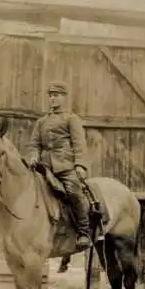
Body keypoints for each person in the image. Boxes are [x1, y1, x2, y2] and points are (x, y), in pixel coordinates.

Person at [26, 80, 91, 251]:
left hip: (65, 166)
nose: (53, 99)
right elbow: (34, 144)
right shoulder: (41, 122)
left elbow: (79, 144)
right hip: (44, 167)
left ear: (64, 98)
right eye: (51, 96)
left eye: (56, 96)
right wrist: (33, 156)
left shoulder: (71, 119)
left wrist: (80, 165)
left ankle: (83, 232)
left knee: (74, 193)